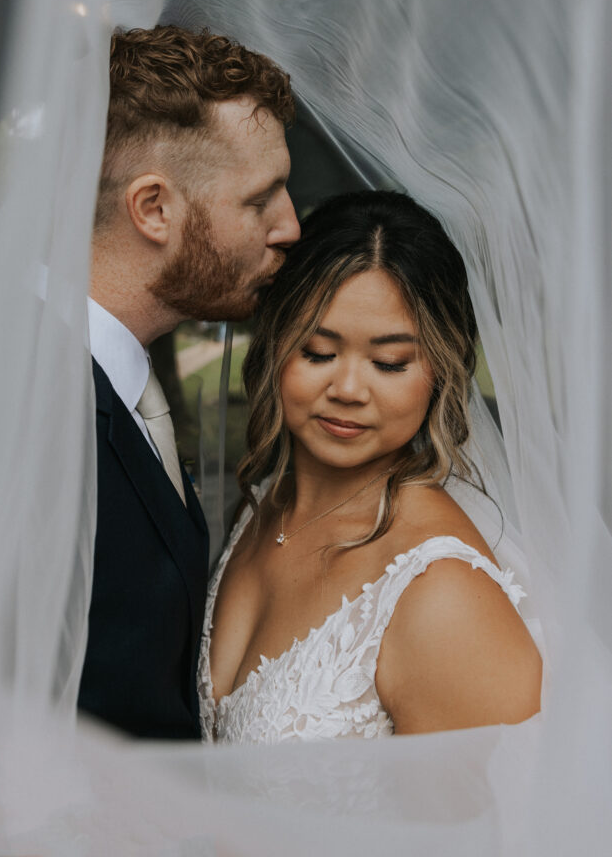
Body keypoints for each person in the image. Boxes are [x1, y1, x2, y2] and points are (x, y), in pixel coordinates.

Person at [198, 190, 542, 742]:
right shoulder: (265, 504)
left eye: (388, 363)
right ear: (275, 346)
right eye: (317, 352)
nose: (349, 389)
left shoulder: (443, 593)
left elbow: (484, 826)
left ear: (440, 370)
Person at [79, 25, 301, 738]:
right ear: (153, 210)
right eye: (259, 199)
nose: (290, 226)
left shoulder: (124, 386)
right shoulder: (27, 414)